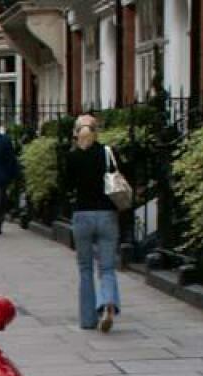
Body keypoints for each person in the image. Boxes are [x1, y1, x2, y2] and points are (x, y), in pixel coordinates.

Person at [65, 114, 120, 333]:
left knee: (85, 269)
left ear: (76, 132)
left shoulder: (72, 157)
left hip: (82, 215)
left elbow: (66, 185)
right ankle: (107, 303)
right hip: (107, 214)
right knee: (107, 267)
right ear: (96, 131)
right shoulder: (107, 153)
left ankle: (88, 320)